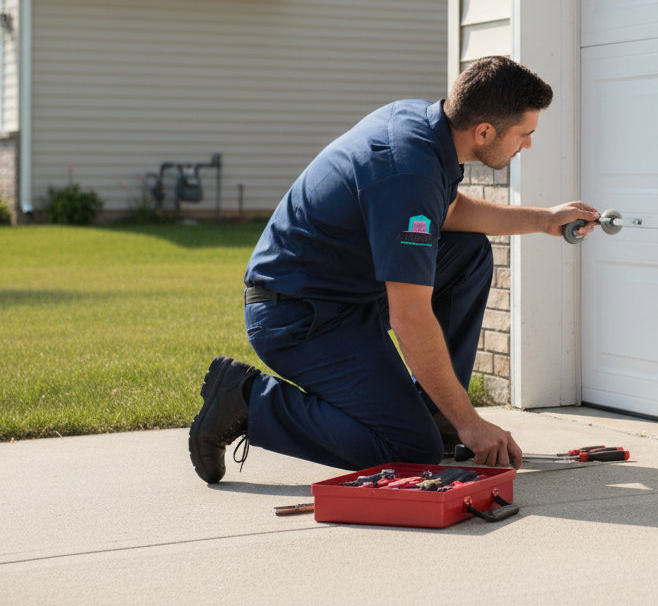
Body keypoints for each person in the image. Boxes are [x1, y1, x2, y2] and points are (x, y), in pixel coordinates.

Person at [188, 56, 600, 483]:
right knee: (408, 449)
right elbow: (410, 316)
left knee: (468, 252)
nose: (528, 144)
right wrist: (471, 422)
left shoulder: (424, 126)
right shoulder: (408, 172)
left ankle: (436, 414)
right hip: (297, 317)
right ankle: (247, 399)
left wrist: (543, 219)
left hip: (346, 295)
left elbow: (448, 211)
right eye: (524, 134)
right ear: (484, 132)